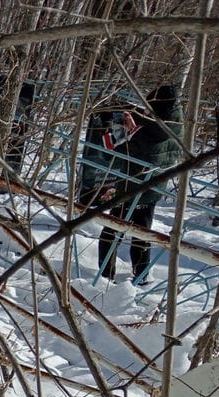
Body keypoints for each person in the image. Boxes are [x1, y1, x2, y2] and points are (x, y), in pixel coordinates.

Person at [86, 85, 183, 284]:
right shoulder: (176, 123)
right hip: (154, 189)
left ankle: (105, 276)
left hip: (132, 188)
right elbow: (156, 132)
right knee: (141, 234)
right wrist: (138, 121)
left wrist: (124, 128)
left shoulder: (147, 134)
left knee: (111, 231)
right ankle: (141, 277)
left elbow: (111, 150)